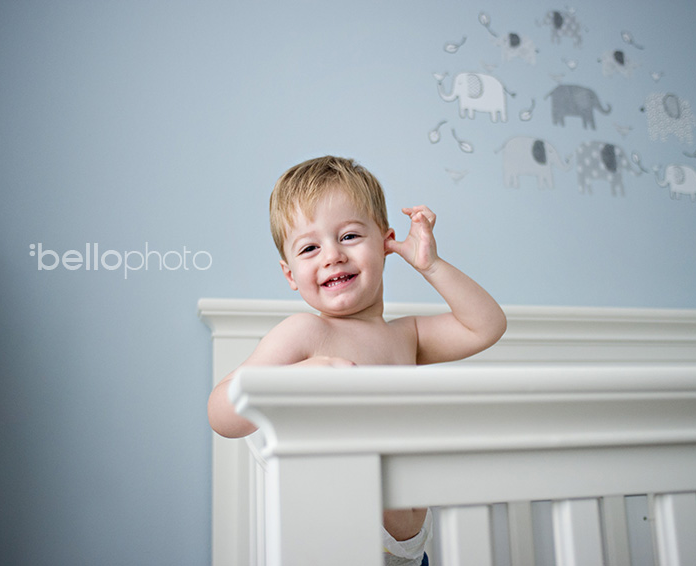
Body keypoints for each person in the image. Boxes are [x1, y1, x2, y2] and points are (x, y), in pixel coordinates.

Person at [207, 155, 507, 566]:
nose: (332, 255)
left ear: (386, 243)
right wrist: (297, 377)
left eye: (348, 236)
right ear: (290, 274)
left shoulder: (406, 336)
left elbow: (486, 325)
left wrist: (431, 265)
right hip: (339, 543)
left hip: (411, 552)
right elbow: (220, 413)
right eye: (310, 248)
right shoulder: (305, 332)